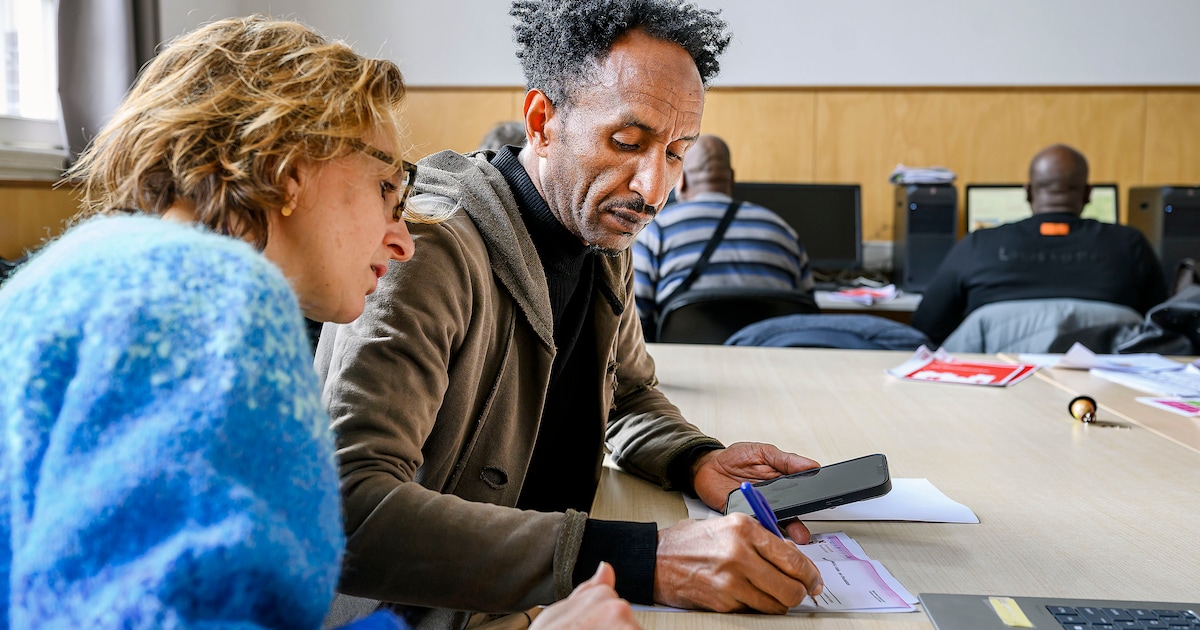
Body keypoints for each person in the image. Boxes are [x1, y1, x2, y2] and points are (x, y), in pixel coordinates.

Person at [0, 16, 634, 630]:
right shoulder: (220, 305)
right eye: (387, 187)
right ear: (288, 167)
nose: (403, 240)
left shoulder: (88, 273)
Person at [315, 1, 825, 627]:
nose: (653, 189)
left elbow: (628, 396)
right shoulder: (428, 247)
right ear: (541, 121)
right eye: (626, 143)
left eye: (675, 153)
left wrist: (696, 460)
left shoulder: (601, 231)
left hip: (547, 597)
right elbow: (350, 508)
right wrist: (643, 558)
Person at [911, 144, 1169, 346]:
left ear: (1027, 192)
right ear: (1088, 193)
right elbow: (1163, 328)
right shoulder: (1131, 244)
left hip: (996, 388)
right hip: (1104, 389)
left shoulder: (978, 244)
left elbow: (927, 328)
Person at [633, 134, 814, 334]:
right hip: (769, 352)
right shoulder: (783, 232)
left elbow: (636, 320)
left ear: (681, 180)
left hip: (682, 353)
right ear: (732, 178)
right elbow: (807, 315)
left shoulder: (656, 231)